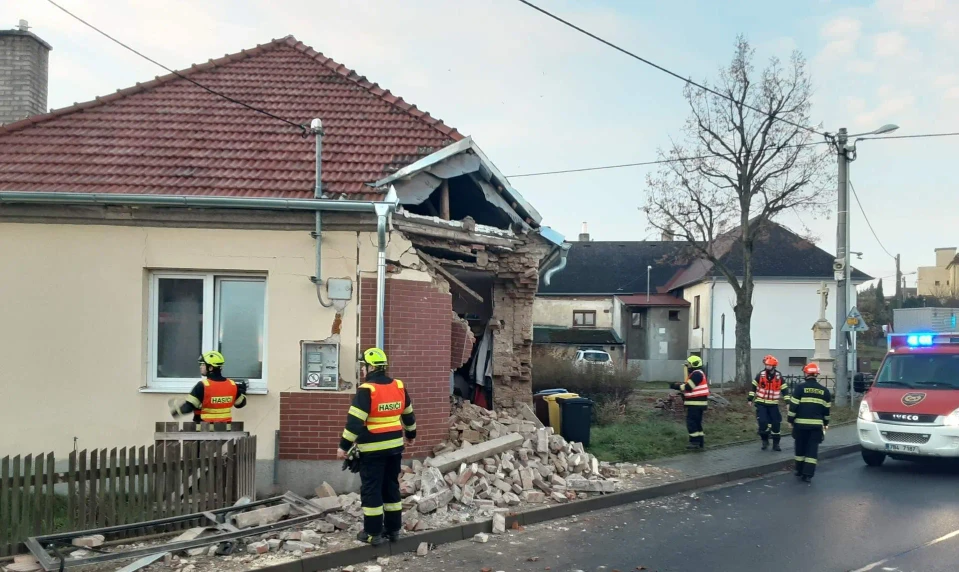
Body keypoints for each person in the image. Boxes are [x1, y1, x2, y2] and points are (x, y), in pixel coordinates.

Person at [337, 348, 416, 546]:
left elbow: (355, 422)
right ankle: (393, 530)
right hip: (395, 448)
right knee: (391, 487)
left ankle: (373, 533)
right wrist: (411, 435)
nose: (362, 370)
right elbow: (408, 415)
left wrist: (343, 446)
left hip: (372, 450)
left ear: (370, 367)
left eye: (363, 366)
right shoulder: (398, 386)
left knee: (372, 490)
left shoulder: (367, 390)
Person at [170, 351, 247, 423]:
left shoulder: (202, 386)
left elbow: (189, 407)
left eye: (203, 364)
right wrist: (242, 391)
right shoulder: (232, 385)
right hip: (225, 430)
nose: (200, 367)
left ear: (210, 368)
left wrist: (176, 412)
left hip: (204, 430)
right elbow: (240, 404)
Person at [788, 362, 832, 483]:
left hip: (800, 425)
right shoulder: (825, 391)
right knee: (812, 450)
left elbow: (793, 407)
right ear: (816, 374)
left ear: (806, 373)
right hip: (816, 426)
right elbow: (826, 411)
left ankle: (799, 470)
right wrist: (826, 423)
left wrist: (790, 420)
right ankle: (808, 474)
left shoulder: (800, 388)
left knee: (800, 448)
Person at [670, 355, 710, 450]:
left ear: (693, 364)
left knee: (691, 423)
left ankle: (694, 442)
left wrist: (676, 386)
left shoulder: (697, 374)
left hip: (695, 404)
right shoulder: (698, 373)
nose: (687, 367)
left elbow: (689, 387)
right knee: (697, 423)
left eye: (688, 365)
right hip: (697, 404)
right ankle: (700, 442)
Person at [749, 355, 786, 451]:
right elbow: (753, 387)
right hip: (761, 403)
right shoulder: (760, 375)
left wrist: (788, 401)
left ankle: (776, 444)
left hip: (773, 404)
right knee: (762, 423)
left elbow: (785, 390)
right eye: (766, 365)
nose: (767, 367)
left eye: (769, 366)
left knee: (776, 424)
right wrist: (750, 399)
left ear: (774, 366)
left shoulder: (779, 376)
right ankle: (764, 441)